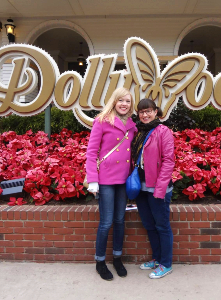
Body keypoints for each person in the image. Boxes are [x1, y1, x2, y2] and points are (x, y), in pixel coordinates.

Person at [86, 87, 137, 281]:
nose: (124, 104)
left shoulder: (132, 125)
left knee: (120, 221)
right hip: (106, 179)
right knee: (106, 222)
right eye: (121, 100)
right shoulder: (101, 121)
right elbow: (91, 153)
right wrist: (92, 179)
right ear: (114, 101)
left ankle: (117, 258)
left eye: (128, 101)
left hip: (123, 179)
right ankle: (100, 262)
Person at [131, 98, 175, 279]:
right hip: (141, 187)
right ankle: (157, 259)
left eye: (148, 111)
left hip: (158, 188)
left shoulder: (163, 131)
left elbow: (168, 161)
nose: (145, 114)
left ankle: (166, 264)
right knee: (149, 225)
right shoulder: (138, 132)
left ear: (156, 112)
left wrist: (160, 189)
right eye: (142, 112)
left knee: (162, 226)